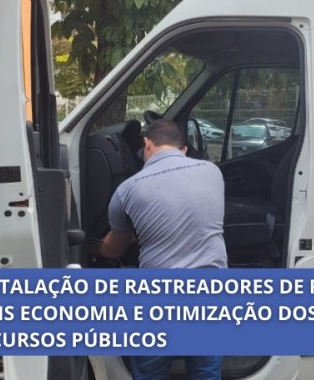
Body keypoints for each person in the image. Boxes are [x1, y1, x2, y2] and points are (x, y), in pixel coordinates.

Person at [97, 118, 227, 380]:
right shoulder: (213, 172)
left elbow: (114, 249)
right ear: (184, 150)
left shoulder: (127, 190)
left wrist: (96, 247)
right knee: (205, 372)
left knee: (151, 373)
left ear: (146, 144)